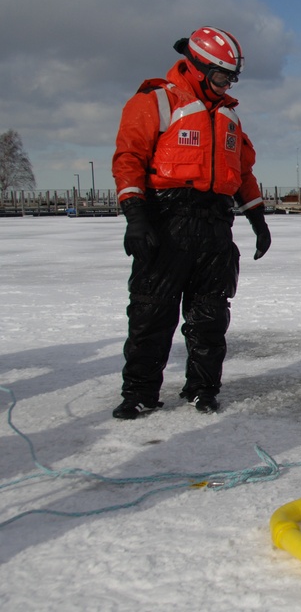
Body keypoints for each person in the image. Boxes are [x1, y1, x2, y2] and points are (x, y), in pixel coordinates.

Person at [110, 26, 271, 419]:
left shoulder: (229, 117)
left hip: (215, 226)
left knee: (210, 316)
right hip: (166, 221)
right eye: (221, 76)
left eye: (232, 78)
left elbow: (242, 172)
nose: (226, 84)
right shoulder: (156, 102)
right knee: (152, 312)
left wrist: (257, 218)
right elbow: (128, 158)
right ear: (198, 67)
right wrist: (135, 216)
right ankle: (140, 392)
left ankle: (203, 389)